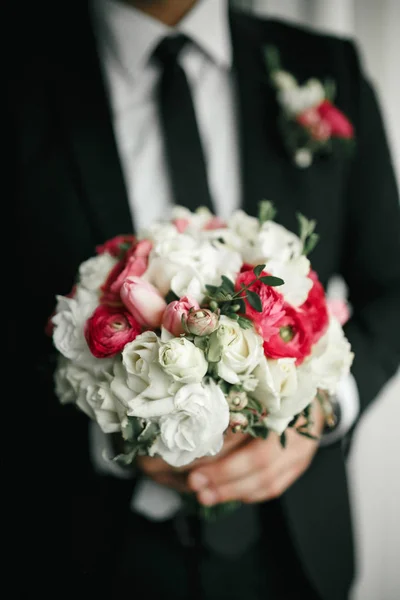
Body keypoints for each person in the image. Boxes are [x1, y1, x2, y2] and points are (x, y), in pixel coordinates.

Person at [10, 0, 400, 598]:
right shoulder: (21, 67)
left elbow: (391, 289)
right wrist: (105, 423)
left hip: (294, 552)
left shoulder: (323, 67)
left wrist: (319, 411)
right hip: (76, 548)